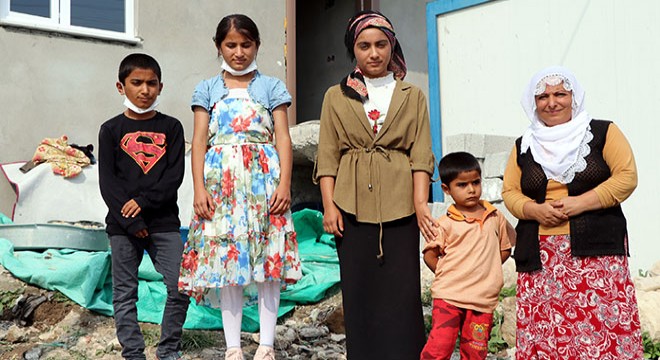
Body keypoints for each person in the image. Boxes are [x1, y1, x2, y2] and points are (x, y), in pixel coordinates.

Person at [177, 14, 302, 360]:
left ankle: (266, 345)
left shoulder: (271, 87)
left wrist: (285, 184)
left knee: (268, 260)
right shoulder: (206, 89)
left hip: (265, 184)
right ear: (219, 47)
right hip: (222, 187)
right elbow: (199, 142)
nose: (239, 52)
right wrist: (199, 189)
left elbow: (283, 138)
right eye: (231, 45)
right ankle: (233, 347)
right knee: (225, 261)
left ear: (257, 45)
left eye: (246, 44)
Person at [314, 10, 436, 359]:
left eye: (381, 44)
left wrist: (420, 203)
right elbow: (328, 155)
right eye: (364, 45)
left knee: (402, 292)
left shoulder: (411, 94)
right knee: (359, 289)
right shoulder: (335, 96)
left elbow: (421, 153)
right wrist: (329, 206)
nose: (374, 53)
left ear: (391, 45)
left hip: (400, 206)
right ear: (354, 50)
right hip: (350, 204)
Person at [502, 66, 644, 359]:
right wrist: (535, 210)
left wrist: (580, 203)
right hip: (541, 256)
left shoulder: (604, 132)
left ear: (574, 97)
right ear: (533, 102)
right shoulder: (524, 144)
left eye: (560, 94)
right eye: (542, 96)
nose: (551, 102)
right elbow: (510, 192)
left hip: (597, 254)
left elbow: (626, 176)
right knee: (548, 334)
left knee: (602, 331)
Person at [98, 53, 189, 360]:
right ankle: (133, 353)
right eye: (136, 82)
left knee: (181, 287)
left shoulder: (172, 128)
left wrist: (143, 202)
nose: (145, 89)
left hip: (164, 223)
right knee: (125, 293)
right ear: (121, 86)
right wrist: (132, 222)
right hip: (123, 227)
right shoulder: (110, 130)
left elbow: (172, 177)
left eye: (151, 83)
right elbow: (108, 184)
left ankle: (168, 351)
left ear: (161, 87)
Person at [420, 152, 515, 360]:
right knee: (440, 346)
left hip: (482, 300)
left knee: (476, 351)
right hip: (449, 297)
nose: (471, 189)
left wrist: (485, 271)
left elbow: (505, 248)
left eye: (476, 182)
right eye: (462, 185)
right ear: (446, 189)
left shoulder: (495, 216)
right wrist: (451, 275)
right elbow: (430, 255)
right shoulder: (444, 223)